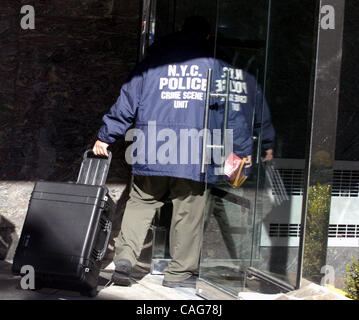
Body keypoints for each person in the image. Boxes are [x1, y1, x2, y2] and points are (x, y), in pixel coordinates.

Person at [92, 16, 256, 288]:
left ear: (180, 32)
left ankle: (124, 260)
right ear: (207, 38)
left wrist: (105, 136)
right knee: (189, 210)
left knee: (141, 202)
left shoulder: (152, 62)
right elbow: (234, 113)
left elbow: (127, 101)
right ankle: (178, 274)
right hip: (195, 152)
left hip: (151, 146)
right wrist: (240, 150)